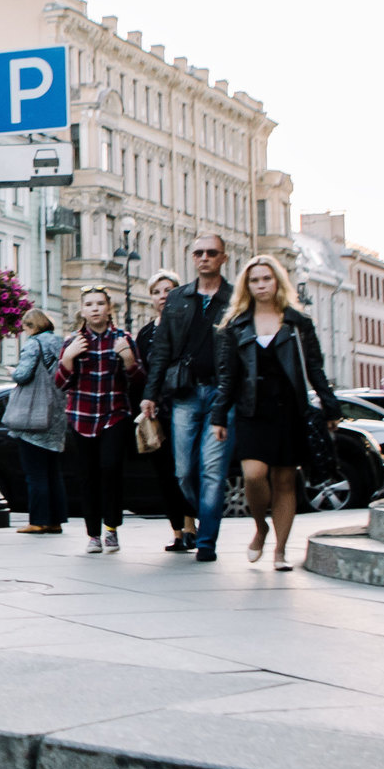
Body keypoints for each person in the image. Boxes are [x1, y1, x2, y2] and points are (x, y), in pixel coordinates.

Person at [210, 254, 342, 572]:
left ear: (277, 281)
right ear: (247, 286)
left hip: (289, 411)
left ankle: (280, 551)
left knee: (285, 481)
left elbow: (315, 369)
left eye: (266, 279)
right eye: (254, 280)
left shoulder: (298, 323)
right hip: (251, 411)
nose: (261, 285)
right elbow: (227, 376)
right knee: (253, 477)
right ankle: (261, 527)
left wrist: (330, 405)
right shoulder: (235, 325)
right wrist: (218, 415)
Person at [141, 235, 239, 563]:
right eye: (199, 253)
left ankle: (207, 541)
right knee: (183, 471)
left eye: (212, 253)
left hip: (222, 394)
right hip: (184, 393)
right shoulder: (179, 298)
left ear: (223, 257)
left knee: (212, 470)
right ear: (192, 257)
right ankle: (205, 511)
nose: (205, 258)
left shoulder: (236, 296)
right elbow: (162, 351)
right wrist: (150, 395)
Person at [58, 288, 137, 554]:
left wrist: (128, 360)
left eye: (100, 304)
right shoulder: (74, 341)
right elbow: (60, 384)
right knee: (87, 476)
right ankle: (93, 534)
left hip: (114, 416)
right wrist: (68, 358)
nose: (95, 309)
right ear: (82, 310)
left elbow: (138, 383)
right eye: (89, 304)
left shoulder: (122, 338)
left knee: (110, 468)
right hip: (82, 417)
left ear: (109, 309)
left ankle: (112, 528)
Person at [133, 272, 193, 552]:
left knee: (186, 469)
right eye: (157, 291)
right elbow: (141, 373)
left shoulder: (189, 327)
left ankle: (192, 525)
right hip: (155, 411)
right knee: (165, 473)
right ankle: (178, 532)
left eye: (168, 290)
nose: (163, 296)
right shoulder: (145, 334)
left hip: (183, 403)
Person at [4, 308, 67, 533]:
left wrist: (12, 371)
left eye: (25, 327)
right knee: (52, 471)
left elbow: (23, 374)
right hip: (56, 414)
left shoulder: (33, 344)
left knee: (35, 472)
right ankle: (55, 520)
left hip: (34, 417)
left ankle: (38, 520)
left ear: (32, 326)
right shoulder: (60, 343)